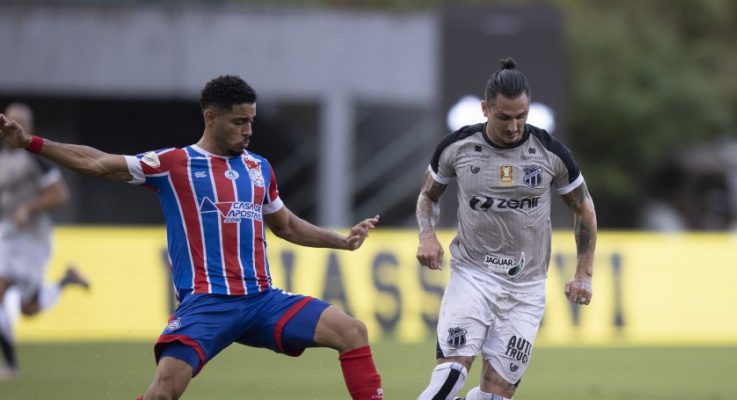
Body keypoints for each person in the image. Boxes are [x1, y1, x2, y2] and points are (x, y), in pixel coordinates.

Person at [0, 76, 384, 400]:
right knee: (163, 391)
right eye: (238, 122)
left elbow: (285, 225)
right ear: (210, 118)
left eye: (251, 121)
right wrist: (31, 142)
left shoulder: (259, 168)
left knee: (352, 331)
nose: (248, 130)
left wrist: (341, 241)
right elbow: (98, 163)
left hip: (262, 300)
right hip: (207, 304)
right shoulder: (174, 164)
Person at [415, 58, 597, 400]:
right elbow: (428, 195)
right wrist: (427, 235)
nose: (514, 126)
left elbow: (583, 208)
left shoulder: (550, 153)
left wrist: (583, 273)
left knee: (494, 396)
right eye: (504, 117)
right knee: (451, 375)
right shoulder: (457, 147)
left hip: (526, 289)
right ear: (485, 109)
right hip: (472, 276)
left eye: (521, 116)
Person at [0, 102, 91, 380]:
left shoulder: (34, 160)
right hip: (8, 235)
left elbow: (60, 194)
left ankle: (11, 365)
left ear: (27, 127)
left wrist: (28, 208)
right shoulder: (4, 159)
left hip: (32, 239)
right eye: (8, 120)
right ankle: (10, 364)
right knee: (16, 300)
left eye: (18, 121)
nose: (10, 127)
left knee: (27, 307)